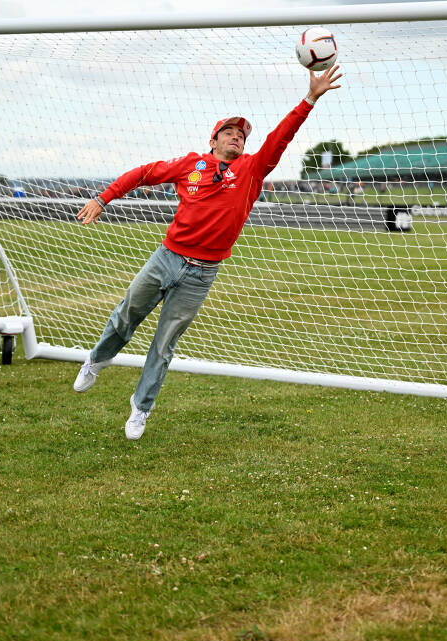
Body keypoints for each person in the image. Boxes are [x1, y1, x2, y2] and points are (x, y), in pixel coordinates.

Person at [73, 66, 344, 440]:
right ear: (213, 140)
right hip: (166, 258)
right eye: (229, 132)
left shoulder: (252, 169)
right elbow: (143, 173)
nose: (237, 137)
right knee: (126, 315)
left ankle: (140, 409)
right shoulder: (191, 165)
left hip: (202, 274)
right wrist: (104, 198)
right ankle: (96, 361)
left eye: (242, 135)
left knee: (165, 342)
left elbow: (281, 138)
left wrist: (310, 98)